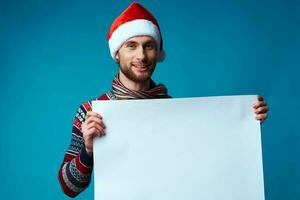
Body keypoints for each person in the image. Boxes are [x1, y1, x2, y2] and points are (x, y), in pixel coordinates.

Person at [58, 2, 269, 197]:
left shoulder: (175, 111)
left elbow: (208, 165)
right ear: (117, 53)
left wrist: (245, 119)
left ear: (157, 52)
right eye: (131, 45)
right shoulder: (91, 112)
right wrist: (88, 151)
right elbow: (69, 187)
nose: (141, 56)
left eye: (148, 46)